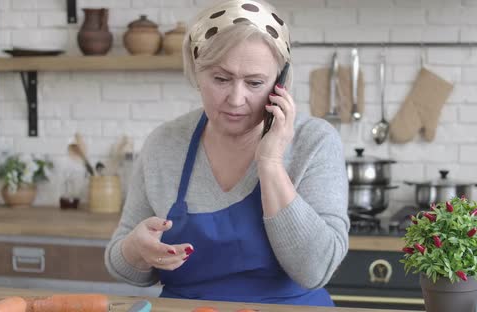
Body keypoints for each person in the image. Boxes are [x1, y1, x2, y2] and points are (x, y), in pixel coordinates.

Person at [104, 0, 349, 306]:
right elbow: (123, 268)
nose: (236, 98)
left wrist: (270, 162)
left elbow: (316, 270)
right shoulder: (165, 143)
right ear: (196, 72)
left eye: (255, 82)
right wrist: (136, 249)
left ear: (280, 82)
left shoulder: (314, 142)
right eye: (221, 79)